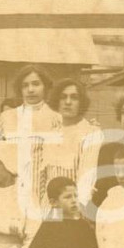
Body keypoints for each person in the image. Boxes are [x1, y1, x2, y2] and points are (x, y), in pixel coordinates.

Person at [42, 78, 102, 207]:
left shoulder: (91, 133)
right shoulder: (50, 133)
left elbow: (86, 179)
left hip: (73, 208)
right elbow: (43, 176)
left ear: (81, 103)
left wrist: (75, 211)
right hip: (47, 207)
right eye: (63, 97)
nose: (68, 102)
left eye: (74, 98)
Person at [0, 64, 62, 142]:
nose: (30, 90)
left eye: (36, 84)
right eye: (25, 85)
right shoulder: (5, 117)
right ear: (20, 89)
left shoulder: (57, 119)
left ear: (45, 86)